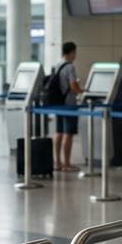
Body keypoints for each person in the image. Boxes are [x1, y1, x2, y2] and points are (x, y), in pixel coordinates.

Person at [53, 42, 84, 172]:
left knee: (59, 132)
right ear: (71, 52)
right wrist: (83, 92)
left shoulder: (57, 66)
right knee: (68, 133)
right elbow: (72, 86)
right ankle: (67, 163)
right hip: (69, 104)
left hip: (58, 102)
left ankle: (58, 162)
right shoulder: (70, 67)